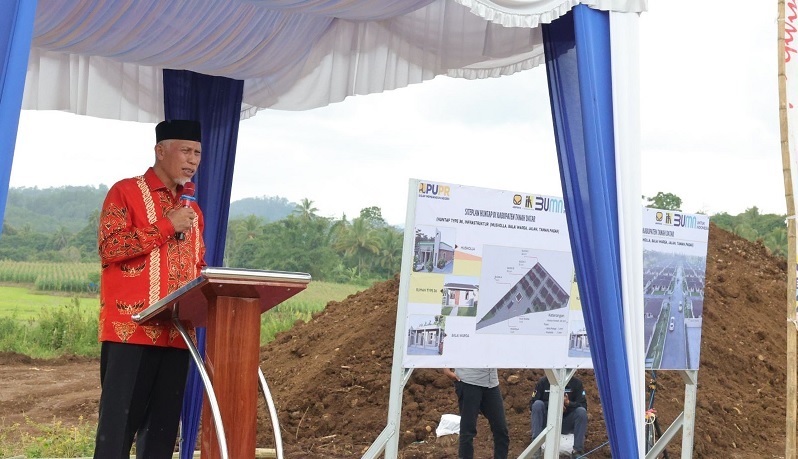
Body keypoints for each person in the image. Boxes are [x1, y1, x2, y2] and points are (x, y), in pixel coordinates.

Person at [93, 119, 206, 459]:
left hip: (177, 335)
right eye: (185, 151)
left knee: (161, 438)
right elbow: (110, 247)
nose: (192, 160)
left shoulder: (193, 210)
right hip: (130, 333)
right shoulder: (125, 192)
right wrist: (166, 226)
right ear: (160, 151)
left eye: (197, 153)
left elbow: (198, 265)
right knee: (116, 434)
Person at [443, 367, 510, 459]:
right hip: (469, 381)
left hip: (491, 383)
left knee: (501, 429)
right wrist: (446, 369)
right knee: (468, 431)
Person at [530, 374, 588, 458]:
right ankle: (536, 448)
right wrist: (554, 404)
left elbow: (583, 405)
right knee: (537, 404)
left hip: (566, 422)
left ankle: (577, 451)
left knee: (581, 411)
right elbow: (532, 404)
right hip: (548, 421)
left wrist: (568, 403)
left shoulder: (576, 383)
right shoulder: (543, 382)